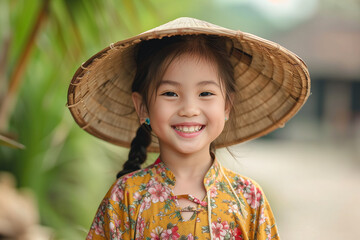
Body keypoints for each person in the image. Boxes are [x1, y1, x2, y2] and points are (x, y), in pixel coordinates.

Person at [67, 17, 310, 240]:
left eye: (205, 93)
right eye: (170, 93)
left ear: (227, 106)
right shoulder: (125, 197)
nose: (189, 109)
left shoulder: (248, 198)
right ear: (143, 108)